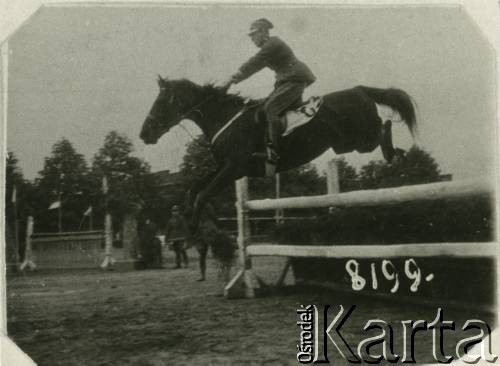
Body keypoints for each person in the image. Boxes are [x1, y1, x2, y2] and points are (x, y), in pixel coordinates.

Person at [222, 18, 316, 164]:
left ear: (263, 32)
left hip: (294, 80)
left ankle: (274, 152)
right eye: (250, 36)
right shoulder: (269, 46)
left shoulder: (273, 44)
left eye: (253, 34)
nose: (251, 38)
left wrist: (230, 80)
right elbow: (256, 65)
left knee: (270, 109)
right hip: (287, 81)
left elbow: (254, 63)